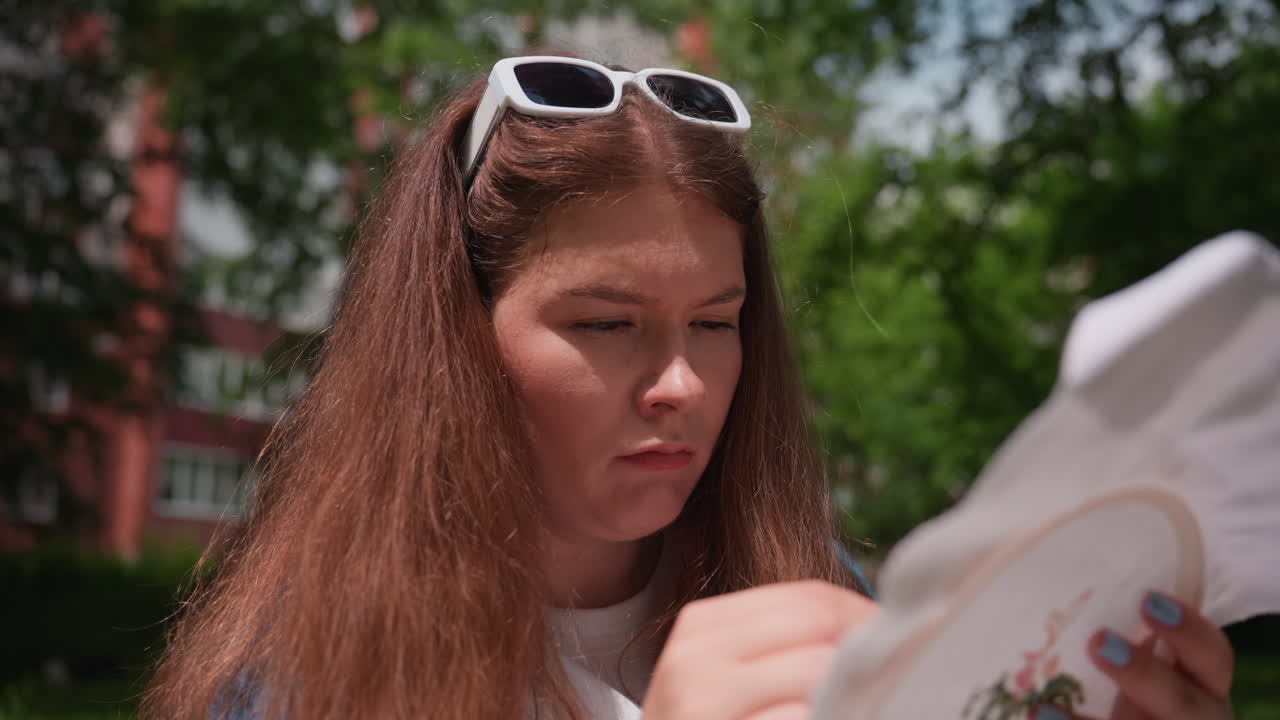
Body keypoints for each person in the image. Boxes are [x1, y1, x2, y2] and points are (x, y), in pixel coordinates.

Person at [142, 55, 1236, 720]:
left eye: (716, 325)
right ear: (459, 342)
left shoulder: (816, 588)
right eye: (607, 323)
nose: (679, 384)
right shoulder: (306, 675)